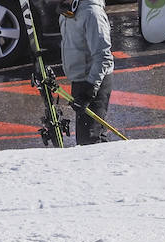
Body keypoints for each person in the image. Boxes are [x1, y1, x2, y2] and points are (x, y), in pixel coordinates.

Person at [60, 0, 115, 145]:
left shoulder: (92, 13)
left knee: (90, 140)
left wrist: (89, 90)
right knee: (89, 137)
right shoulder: (68, 11)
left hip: (94, 81)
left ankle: (103, 166)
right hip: (80, 80)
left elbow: (103, 56)